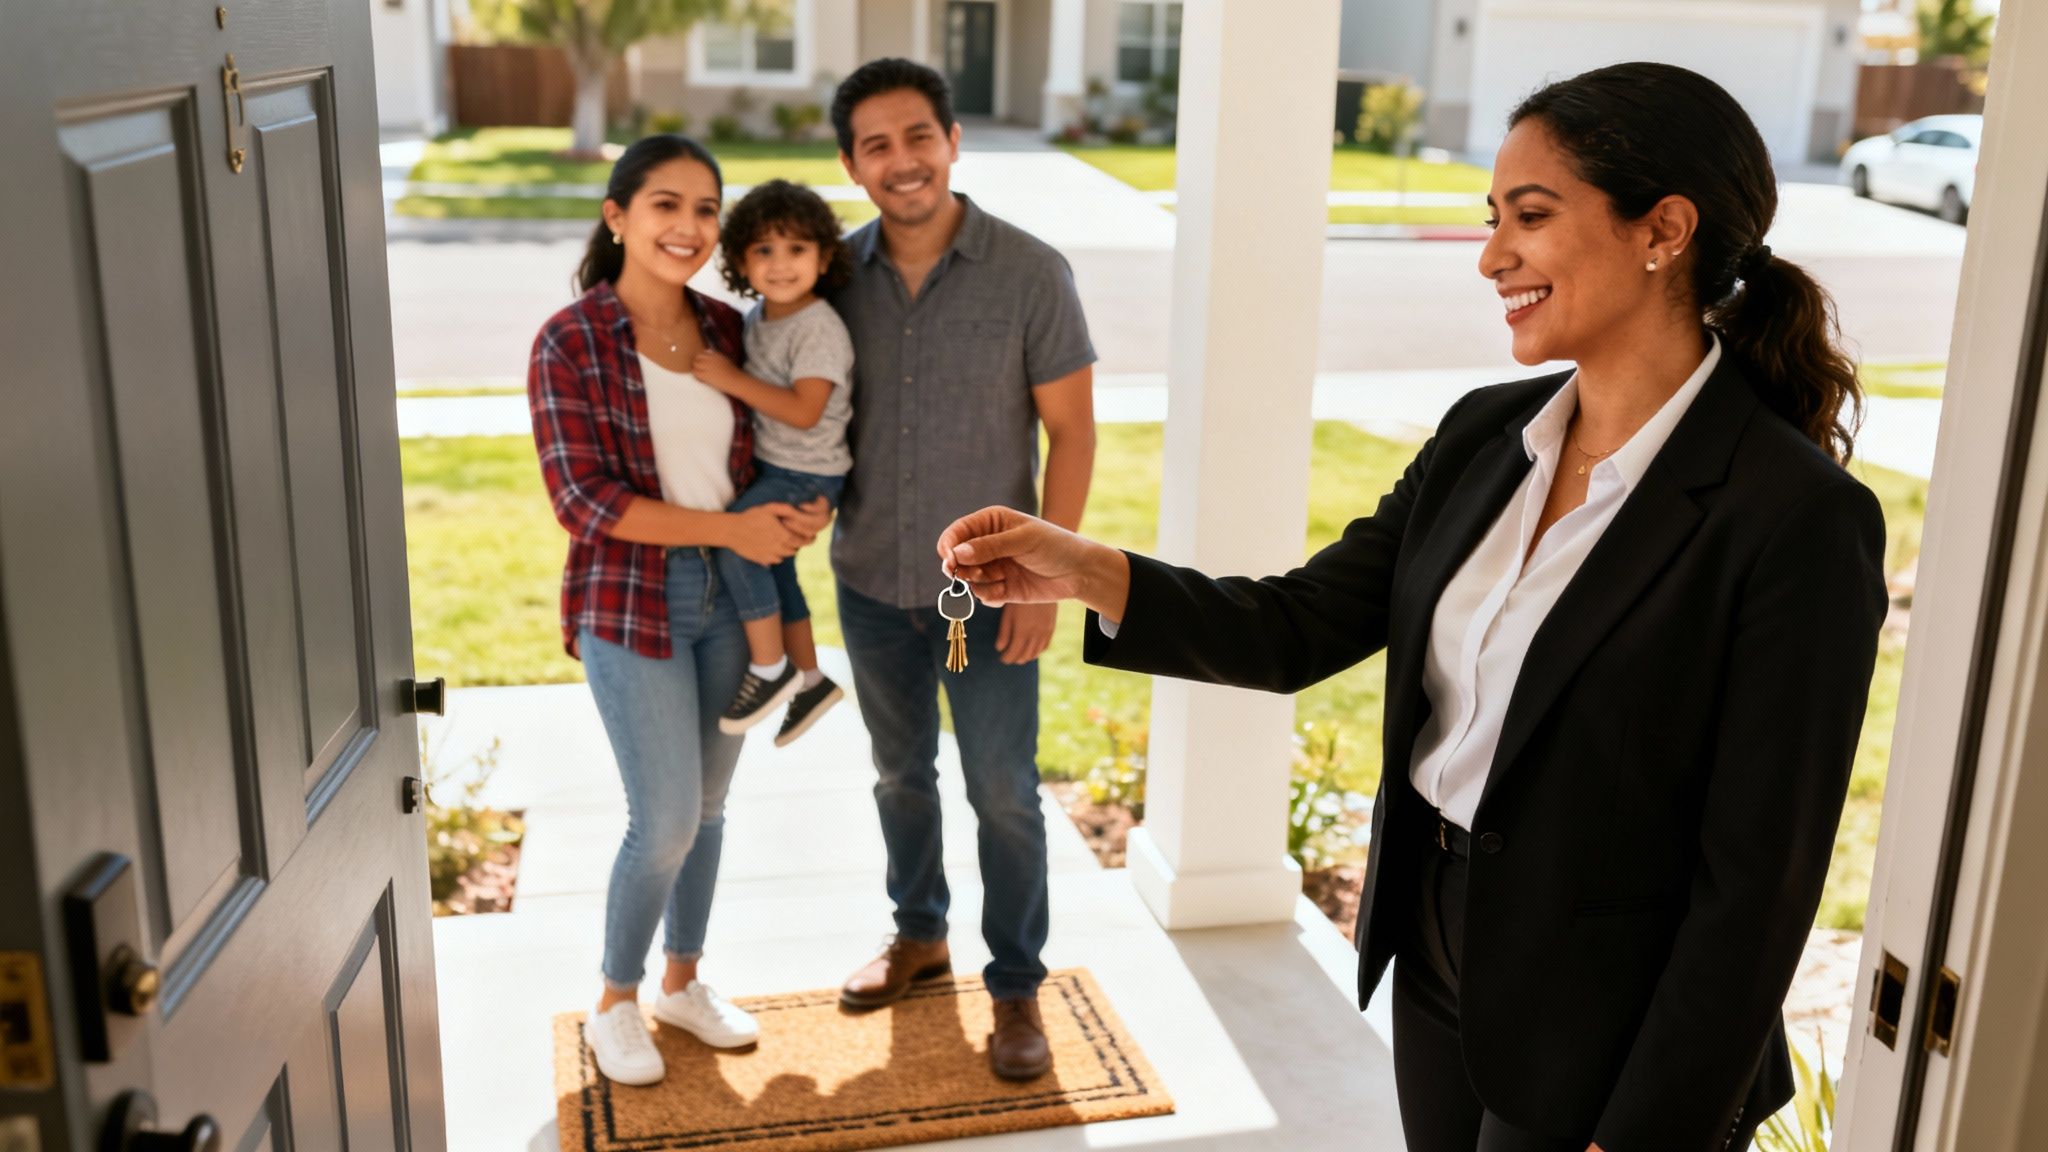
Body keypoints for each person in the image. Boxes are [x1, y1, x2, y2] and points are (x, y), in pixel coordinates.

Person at [935, 63, 1888, 1151]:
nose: (1490, 257)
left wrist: (1644, 1131)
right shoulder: (1483, 436)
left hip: (1611, 1025)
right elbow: (1297, 625)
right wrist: (1091, 570)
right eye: (1492, 220)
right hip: (1436, 958)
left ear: (1661, 228)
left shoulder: (1794, 521)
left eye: (1529, 217)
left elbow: (1755, 892)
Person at [528, 135, 833, 1087]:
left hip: (732, 602)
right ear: (618, 217)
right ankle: (614, 1002)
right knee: (661, 817)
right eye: (666, 205)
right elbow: (582, 501)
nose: (690, 227)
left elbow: (778, 441)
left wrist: (798, 504)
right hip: (631, 602)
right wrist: (732, 532)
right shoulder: (570, 340)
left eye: (706, 209)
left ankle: (682, 983)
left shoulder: (729, 330)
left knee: (706, 810)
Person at [824, 58, 1098, 1082]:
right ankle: (918, 932)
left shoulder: (1031, 272)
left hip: (988, 595)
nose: (902, 162)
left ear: (952, 141)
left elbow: (1069, 437)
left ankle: (1017, 988)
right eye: (877, 145)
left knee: (1001, 792)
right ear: (851, 164)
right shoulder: (833, 278)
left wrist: (1046, 580)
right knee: (899, 775)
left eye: (917, 137)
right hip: (867, 581)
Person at [691, 178, 857, 746]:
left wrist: (732, 380)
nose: (780, 265)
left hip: (806, 470)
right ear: (740, 259)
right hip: (778, 468)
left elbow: (807, 410)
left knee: (737, 542)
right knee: (777, 569)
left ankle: (770, 668)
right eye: (763, 250)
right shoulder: (762, 316)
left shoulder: (817, 326)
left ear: (824, 255)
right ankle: (809, 680)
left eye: (796, 249)